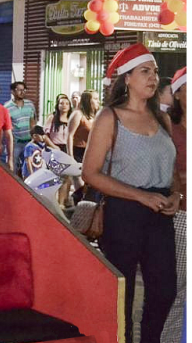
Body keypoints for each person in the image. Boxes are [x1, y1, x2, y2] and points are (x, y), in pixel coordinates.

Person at [82, 44, 178, 343]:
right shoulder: (110, 117)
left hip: (160, 213)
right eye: (145, 71)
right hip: (124, 213)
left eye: (155, 72)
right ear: (127, 79)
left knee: (164, 290)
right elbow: (90, 173)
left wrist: (176, 194)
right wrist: (140, 196)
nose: (153, 78)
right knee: (122, 293)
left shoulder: (161, 119)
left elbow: (171, 169)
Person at [162, 66, 186, 343]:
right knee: (178, 290)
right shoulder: (170, 129)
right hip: (182, 217)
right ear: (178, 93)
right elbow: (166, 173)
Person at [4, 81, 36, 174]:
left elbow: (32, 122)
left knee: (29, 169)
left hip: (28, 142)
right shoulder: (7, 107)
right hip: (15, 144)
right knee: (11, 169)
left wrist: (34, 139)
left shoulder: (30, 105)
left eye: (24, 90)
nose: (22, 92)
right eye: (19, 90)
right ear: (12, 92)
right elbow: (6, 127)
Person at [67, 90, 100, 163]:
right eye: (95, 99)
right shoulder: (78, 114)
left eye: (98, 99)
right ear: (88, 101)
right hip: (79, 152)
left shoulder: (95, 116)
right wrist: (70, 156)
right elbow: (70, 135)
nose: (98, 101)